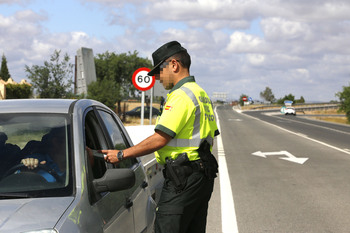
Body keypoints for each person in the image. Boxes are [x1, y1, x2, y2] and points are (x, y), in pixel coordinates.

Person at [102, 41, 219, 233]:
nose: (157, 78)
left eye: (159, 72)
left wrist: (122, 155)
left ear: (174, 64)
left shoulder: (181, 96)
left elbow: (160, 139)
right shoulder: (201, 94)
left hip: (183, 178)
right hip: (202, 176)